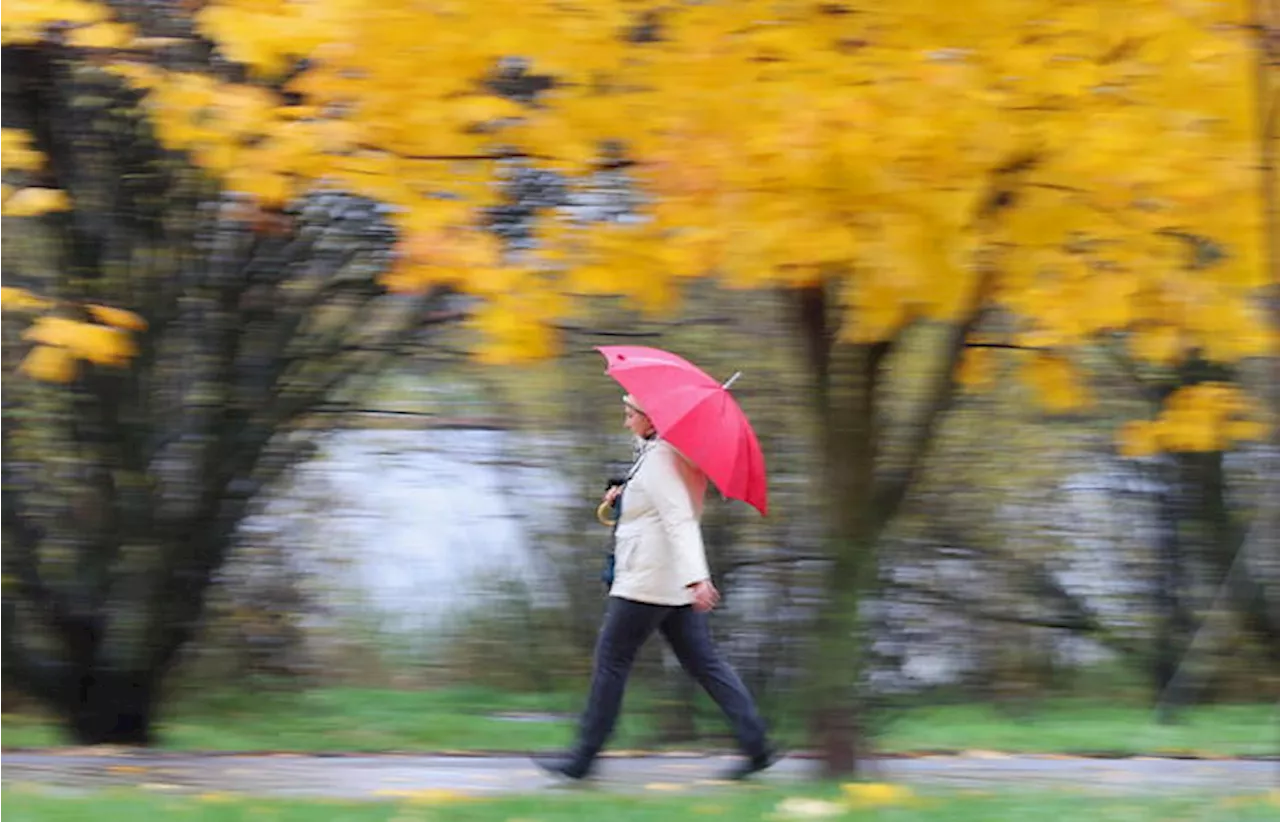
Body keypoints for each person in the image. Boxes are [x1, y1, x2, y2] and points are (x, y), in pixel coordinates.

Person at [536, 393, 778, 782]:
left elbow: (679, 519)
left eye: (631, 415)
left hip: (648, 583)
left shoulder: (662, 459)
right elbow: (655, 507)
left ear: (651, 420)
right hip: (670, 584)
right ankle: (758, 746)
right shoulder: (664, 453)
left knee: (611, 661)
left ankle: (582, 758)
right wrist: (621, 496)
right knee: (705, 663)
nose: (625, 421)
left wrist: (698, 578)